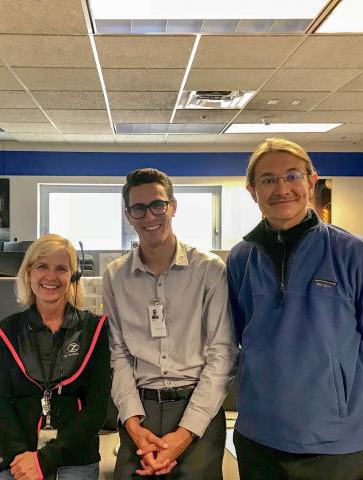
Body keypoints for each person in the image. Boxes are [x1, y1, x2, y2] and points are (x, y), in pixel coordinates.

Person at [227, 138, 363, 480]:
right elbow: (239, 339)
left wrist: (338, 399)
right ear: (252, 191)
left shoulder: (354, 253)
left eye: (292, 176)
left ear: (311, 182)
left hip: (332, 445)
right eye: (268, 179)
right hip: (257, 437)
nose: (282, 188)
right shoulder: (241, 258)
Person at [103, 168, 237, 479]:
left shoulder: (208, 270)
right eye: (139, 208)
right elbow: (118, 354)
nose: (149, 216)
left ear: (173, 206)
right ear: (128, 215)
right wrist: (134, 426)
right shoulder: (115, 275)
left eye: (158, 205)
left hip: (197, 408)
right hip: (140, 409)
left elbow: (222, 355)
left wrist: (184, 434)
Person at [0, 234, 110, 480]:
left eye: (61, 269)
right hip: (17, 458)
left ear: (73, 277)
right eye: (42, 266)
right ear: (29, 273)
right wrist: (22, 459)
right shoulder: (8, 332)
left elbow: (96, 409)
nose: (51, 277)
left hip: (74, 457)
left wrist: (44, 461)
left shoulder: (94, 329)